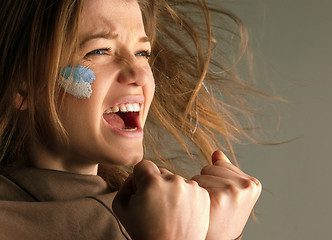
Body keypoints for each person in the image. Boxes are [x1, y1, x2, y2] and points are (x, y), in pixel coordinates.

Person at [0, 0, 262, 239]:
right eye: (100, 51)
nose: (139, 73)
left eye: (142, 53)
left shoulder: (167, 209)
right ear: (24, 88)